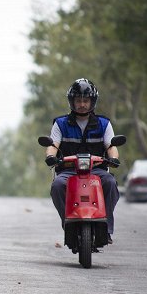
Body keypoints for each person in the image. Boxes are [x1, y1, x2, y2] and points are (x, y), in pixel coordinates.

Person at [44, 78, 121, 243]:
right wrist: (50, 156)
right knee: (57, 186)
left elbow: (111, 146)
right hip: (68, 170)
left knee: (109, 183)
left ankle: (105, 228)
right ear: (71, 101)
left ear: (92, 101)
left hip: (97, 170)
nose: (82, 104)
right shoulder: (60, 123)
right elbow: (53, 145)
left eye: (86, 100)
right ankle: (69, 224)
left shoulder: (104, 124)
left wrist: (113, 158)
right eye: (78, 100)